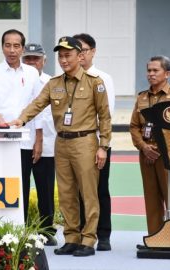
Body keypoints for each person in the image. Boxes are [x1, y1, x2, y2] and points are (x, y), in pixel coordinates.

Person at [11, 36, 111, 257]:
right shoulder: (54, 83)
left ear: (80, 56)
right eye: (61, 56)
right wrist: (21, 119)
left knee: (88, 192)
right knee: (66, 194)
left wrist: (103, 145)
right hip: (61, 142)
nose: (64, 60)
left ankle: (88, 239)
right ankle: (72, 237)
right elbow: (37, 104)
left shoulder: (95, 82)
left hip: (85, 142)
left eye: (68, 55)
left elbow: (104, 116)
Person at [0, 29, 44, 229]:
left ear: (23, 48)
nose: (11, 50)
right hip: (0, 140)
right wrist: (2, 123)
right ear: (2, 47)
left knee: (22, 186)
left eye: (16, 46)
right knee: (1, 182)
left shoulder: (32, 73)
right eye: (7, 45)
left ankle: (22, 229)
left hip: (25, 140)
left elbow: (39, 106)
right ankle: (0, 227)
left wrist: (39, 138)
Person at [73, 33, 115, 251]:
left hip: (98, 144)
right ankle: (82, 234)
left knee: (100, 190)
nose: (80, 55)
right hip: (76, 145)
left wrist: (102, 147)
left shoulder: (103, 78)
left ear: (93, 52)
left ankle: (104, 234)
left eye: (84, 51)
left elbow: (107, 114)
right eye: (75, 51)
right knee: (79, 191)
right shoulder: (67, 77)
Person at [130, 55, 169, 237]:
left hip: (167, 155)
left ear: (167, 73)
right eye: (149, 70)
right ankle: (155, 238)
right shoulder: (142, 97)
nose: (151, 74)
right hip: (147, 154)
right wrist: (143, 147)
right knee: (152, 199)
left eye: (156, 70)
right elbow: (134, 126)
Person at [22, 43, 57, 246]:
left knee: (45, 189)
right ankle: (23, 229)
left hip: (47, 143)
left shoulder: (52, 82)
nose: (31, 62)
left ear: (44, 60)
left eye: (35, 58)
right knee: (22, 188)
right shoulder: (19, 80)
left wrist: (41, 139)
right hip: (22, 142)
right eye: (27, 58)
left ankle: (46, 230)